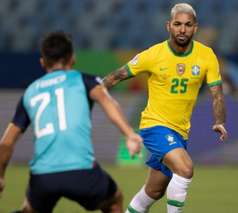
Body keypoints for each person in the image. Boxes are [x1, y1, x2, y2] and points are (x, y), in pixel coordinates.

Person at [103, 3, 228, 213]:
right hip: (155, 126)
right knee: (185, 168)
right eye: (177, 24)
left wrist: (219, 121)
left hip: (180, 132)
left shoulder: (206, 56)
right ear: (168, 26)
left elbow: (217, 94)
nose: (182, 29)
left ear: (195, 28)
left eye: (188, 25)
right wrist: (90, 96)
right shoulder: (153, 55)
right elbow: (115, 77)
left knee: (153, 191)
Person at [0, 31, 143, 213]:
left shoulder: (30, 92)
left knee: (29, 210)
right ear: (72, 58)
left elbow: (6, 142)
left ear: (42, 62)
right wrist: (129, 134)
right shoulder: (84, 80)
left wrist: (1, 176)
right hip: (81, 171)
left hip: (43, 176)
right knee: (114, 200)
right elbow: (109, 102)